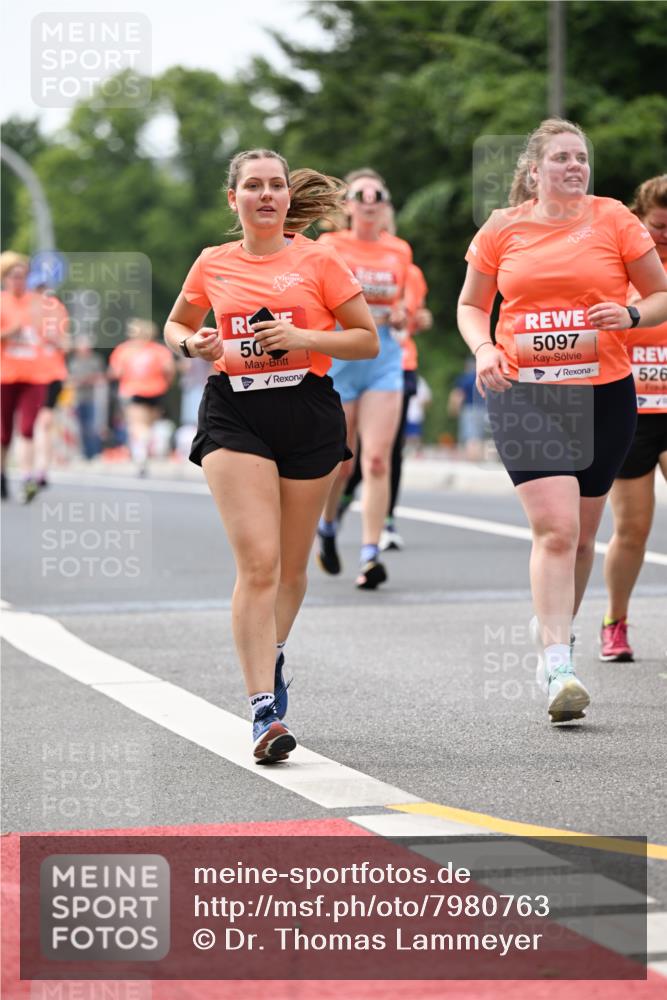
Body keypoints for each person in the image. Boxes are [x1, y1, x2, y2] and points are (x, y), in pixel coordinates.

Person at [164, 149, 378, 763]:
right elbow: (176, 324)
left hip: (307, 410)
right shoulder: (213, 263)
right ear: (233, 199)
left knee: (289, 566)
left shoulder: (319, 259)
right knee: (258, 565)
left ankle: (272, 653)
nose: (265, 194)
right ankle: (263, 710)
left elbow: (366, 339)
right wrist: (192, 344)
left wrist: (305, 337)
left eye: (275, 185)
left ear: (287, 198)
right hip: (235, 410)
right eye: (252, 186)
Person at [457, 118, 667, 723]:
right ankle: (558, 665)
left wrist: (629, 315)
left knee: (580, 537)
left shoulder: (615, 221)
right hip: (523, 390)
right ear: (533, 172)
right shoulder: (503, 228)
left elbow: (658, 294)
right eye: (561, 158)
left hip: (604, 391)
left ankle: (555, 633)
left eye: (582, 157)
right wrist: (484, 349)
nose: (575, 166)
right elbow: (473, 305)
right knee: (553, 530)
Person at [316, 169, 412, 587]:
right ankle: (328, 525)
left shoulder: (399, 251)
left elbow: (405, 302)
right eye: (361, 193)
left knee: (376, 459)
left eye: (379, 193)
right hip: (340, 356)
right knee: (342, 462)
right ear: (347, 205)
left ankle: (370, 553)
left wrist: (404, 315)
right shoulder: (329, 246)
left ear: (385, 204)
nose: (370, 199)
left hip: (383, 356)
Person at [602, 175, 667, 661]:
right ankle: (615, 621)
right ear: (640, 222)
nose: (663, 236)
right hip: (634, 410)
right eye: (658, 227)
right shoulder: (623, 269)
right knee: (633, 528)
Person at [338, 260, 432, 551]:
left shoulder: (411, 272)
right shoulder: (347, 262)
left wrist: (418, 319)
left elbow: (419, 315)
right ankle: (339, 504)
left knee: (386, 452)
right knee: (350, 453)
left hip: (399, 365)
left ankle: (385, 522)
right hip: (355, 363)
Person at [0, 252, 59, 502]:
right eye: (14, 276)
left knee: (28, 427)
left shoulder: (38, 304)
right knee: (3, 433)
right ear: (4, 278)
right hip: (6, 374)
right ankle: (3, 474)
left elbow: (53, 335)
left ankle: (26, 477)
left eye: (23, 276)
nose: (19, 281)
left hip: (35, 375)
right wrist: (10, 332)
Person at [108, 319, 176, 476]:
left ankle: (141, 456)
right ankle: (145, 449)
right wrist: (167, 383)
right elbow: (169, 369)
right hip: (157, 390)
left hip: (133, 390)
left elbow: (115, 372)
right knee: (149, 425)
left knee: (137, 426)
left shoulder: (124, 350)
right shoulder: (159, 350)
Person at [30, 273, 71, 487]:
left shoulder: (57, 309)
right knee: (29, 425)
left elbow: (66, 343)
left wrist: (55, 340)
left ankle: (42, 470)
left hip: (53, 373)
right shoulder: (21, 308)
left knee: (44, 423)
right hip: (27, 375)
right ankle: (30, 468)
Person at [68, 335, 106, 459]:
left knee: (93, 425)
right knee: (80, 426)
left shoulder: (95, 360)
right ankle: (84, 453)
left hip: (93, 397)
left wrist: (87, 380)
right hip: (77, 398)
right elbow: (69, 378)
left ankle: (94, 452)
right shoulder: (73, 361)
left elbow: (100, 377)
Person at [448, 357, 487, 461]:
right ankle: (480, 458)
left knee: (471, 435)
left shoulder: (465, 378)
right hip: (485, 409)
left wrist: (454, 409)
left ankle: (472, 460)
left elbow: (458, 395)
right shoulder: (485, 377)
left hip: (470, 409)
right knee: (481, 435)